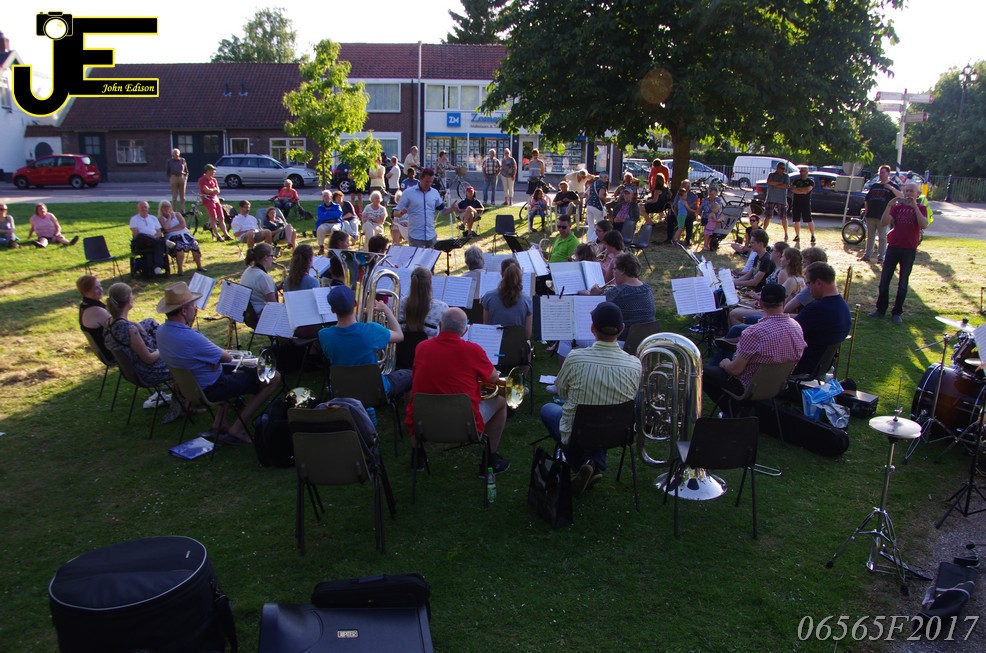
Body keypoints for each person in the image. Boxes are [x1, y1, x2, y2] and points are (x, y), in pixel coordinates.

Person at [156, 282, 280, 443]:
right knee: (273, 376)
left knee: (235, 370)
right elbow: (226, 358)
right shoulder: (190, 337)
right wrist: (215, 361)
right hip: (212, 388)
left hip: (192, 386)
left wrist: (211, 362)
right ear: (184, 311)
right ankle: (238, 428)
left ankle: (219, 423)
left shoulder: (161, 331)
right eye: (192, 305)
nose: (195, 308)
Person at [539, 301, 641, 495]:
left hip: (579, 432)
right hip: (617, 432)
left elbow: (561, 391)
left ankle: (583, 464)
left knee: (547, 410)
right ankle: (592, 462)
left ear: (592, 328)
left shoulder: (575, 358)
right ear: (622, 329)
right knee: (601, 416)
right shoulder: (635, 364)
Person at [405, 307, 510, 474]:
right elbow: (493, 379)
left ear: (440, 325)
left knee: (415, 399)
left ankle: (417, 457)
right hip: (465, 427)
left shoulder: (421, 347)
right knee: (501, 401)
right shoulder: (474, 350)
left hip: (423, 424)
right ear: (465, 330)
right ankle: (490, 460)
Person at [702, 283, 806, 409]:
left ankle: (733, 410)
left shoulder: (753, 333)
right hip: (777, 385)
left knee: (702, 372)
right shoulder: (796, 328)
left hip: (748, 388)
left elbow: (735, 370)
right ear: (784, 303)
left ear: (761, 304)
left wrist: (725, 363)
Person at [318, 285, 411, 398]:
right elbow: (399, 335)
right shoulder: (371, 330)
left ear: (332, 310)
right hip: (376, 391)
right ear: (355, 303)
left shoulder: (324, 335)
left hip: (343, 391)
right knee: (410, 374)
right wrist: (386, 309)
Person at [870, 181, 929, 324]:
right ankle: (880, 309)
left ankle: (897, 312)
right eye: (906, 191)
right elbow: (884, 222)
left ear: (917, 194)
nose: (908, 194)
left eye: (911, 191)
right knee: (884, 281)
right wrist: (889, 205)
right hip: (893, 247)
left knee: (902, 283)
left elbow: (924, 224)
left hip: (909, 249)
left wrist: (915, 207)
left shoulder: (921, 208)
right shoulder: (897, 208)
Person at [103, 282, 170, 386]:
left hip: (132, 370)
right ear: (129, 299)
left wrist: (136, 325)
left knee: (149, 322)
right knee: (181, 357)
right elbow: (149, 359)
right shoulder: (129, 330)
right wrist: (163, 349)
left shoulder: (109, 323)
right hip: (148, 372)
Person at [794, 262, 851, 376]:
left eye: (808, 283)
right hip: (820, 365)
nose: (808, 288)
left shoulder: (817, 309)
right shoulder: (843, 307)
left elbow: (788, 331)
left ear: (819, 283)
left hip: (801, 365)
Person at [586, 253, 655, 339]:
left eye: (614, 269)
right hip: (645, 339)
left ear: (622, 270)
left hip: (623, 340)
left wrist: (593, 295)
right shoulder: (647, 289)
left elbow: (597, 310)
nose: (613, 273)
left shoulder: (618, 292)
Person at [394, 167, 445, 248]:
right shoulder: (408, 193)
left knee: (431, 256)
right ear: (420, 178)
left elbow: (443, 211)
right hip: (415, 236)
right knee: (417, 256)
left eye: (431, 182)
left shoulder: (434, 192)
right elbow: (395, 213)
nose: (428, 184)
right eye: (426, 181)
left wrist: (452, 209)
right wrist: (401, 213)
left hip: (431, 235)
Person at [482, 259, 533, 338]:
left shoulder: (488, 297)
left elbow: (486, 327)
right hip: (517, 344)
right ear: (520, 274)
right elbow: (527, 334)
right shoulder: (527, 300)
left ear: (501, 273)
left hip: (495, 343)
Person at [861, 164, 902, 264]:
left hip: (883, 216)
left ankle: (881, 258)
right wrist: (866, 210)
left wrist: (890, 188)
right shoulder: (875, 185)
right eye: (879, 172)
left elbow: (901, 196)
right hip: (871, 215)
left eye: (883, 172)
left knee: (882, 237)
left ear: (888, 174)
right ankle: (867, 255)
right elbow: (867, 199)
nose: (881, 174)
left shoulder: (893, 185)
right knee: (870, 236)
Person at [399, 266, 449, 338]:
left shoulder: (399, 303)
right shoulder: (442, 307)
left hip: (401, 344)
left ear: (412, 282)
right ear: (430, 283)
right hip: (429, 345)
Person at [159, 200, 205, 276]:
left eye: (167, 206)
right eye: (164, 207)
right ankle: (180, 269)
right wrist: (169, 217)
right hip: (172, 237)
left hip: (185, 234)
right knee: (179, 248)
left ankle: (199, 266)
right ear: (161, 209)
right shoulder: (161, 218)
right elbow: (165, 227)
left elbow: (183, 225)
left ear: (170, 207)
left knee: (194, 245)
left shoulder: (177, 214)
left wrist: (170, 230)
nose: (166, 208)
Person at [77, 274, 112, 360]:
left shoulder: (84, 305)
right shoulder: (95, 310)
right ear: (86, 291)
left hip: (106, 349)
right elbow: (120, 326)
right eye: (96, 288)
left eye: (100, 286)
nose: (100, 290)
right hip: (113, 352)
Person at [129, 200, 168, 276]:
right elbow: (135, 234)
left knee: (158, 242)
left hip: (155, 240)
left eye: (145, 207)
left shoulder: (153, 218)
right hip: (141, 242)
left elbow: (159, 232)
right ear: (138, 209)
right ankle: (165, 242)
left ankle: (157, 267)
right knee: (141, 235)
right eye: (142, 207)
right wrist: (151, 237)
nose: (144, 209)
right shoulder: (134, 219)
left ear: (148, 208)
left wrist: (154, 237)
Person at [784, 247, 828, 313]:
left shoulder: (812, 287)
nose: (801, 265)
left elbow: (786, 309)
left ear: (812, 265)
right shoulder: (826, 283)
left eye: (804, 262)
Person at [240, 243, 278, 319]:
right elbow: (274, 305)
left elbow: (258, 291)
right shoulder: (263, 277)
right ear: (265, 258)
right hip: (263, 317)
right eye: (272, 256)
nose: (273, 258)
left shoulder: (248, 270)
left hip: (250, 315)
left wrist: (277, 287)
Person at [197, 164, 231, 241]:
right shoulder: (202, 180)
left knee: (221, 217)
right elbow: (206, 190)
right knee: (213, 217)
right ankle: (218, 236)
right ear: (208, 171)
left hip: (215, 199)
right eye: (213, 170)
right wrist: (213, 190)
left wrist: (212, 190)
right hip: (208, 200)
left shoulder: (214, 180)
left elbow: (218, 190)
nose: (214, 172)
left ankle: (226, 235)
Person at [764, 162, 791, 241]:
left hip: (781, 199)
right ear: (777, 168)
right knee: (767, 216)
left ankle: (786, 233)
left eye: (784, 168)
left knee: (783, 217)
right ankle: (763, 231)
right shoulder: (771, 175)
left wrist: (775, 184)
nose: (783, 170)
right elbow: (769, 182)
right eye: (782, 168)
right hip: (771, 198)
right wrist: (779, 183)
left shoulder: (786, 176)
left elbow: (786, 186)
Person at [790, 166, 816, 245]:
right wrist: (802, 190)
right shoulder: (796, 181)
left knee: (808, 219)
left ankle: (812, 235)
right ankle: (797, 235)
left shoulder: (810, 181)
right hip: (796, 202)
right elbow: (793, 189)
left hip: (805, 203)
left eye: (803, 171)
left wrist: (799, 189)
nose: (801, 173)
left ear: (807, 172)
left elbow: (807, 190)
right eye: (800, 171)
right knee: (796, 219)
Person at [315, 189, 343, 254]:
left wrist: (327, 213)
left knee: (334, 230)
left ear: (331, 197)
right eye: (324, 196)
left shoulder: (337, 206)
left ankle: (333, 248)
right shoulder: (320, 207)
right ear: (322, 198)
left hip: (336, 223)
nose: (326, 197)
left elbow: (338, 214)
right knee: (320, 229)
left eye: (327, 195)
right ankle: (321, 247)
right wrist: (332, 214)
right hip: (325, 223)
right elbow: (321, 217)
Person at [584, 174, 608, 242]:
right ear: (605, 177)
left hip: (589, 205)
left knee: (591, 225)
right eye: (606, 179)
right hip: (597, 206)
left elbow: (587, 194)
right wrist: (606, 199)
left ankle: (588, 241)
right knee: (600, 226)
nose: (607, 180)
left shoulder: (593, 184)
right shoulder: (602, 184)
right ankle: (593, 240)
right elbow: (601, 196)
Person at [701, 185, 725, 251]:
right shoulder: (705, 200)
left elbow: (720, 210)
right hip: (707, 218)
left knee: (710, 234)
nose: (711, 196)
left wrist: (720, 217)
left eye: (713, 194)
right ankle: (706, 245)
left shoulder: (718, 200)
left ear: (716, 194)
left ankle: (709, 244)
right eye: (710, 194)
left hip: (714, 219)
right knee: (707, 234)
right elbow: (701, 208)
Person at [166, 148, 189, 213]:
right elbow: (167, 171)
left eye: (177, 153)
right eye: (174, 153)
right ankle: (173, 210)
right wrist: (170, 178)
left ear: (179, 154)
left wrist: (185, 178)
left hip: (181, 177)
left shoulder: (182, 160)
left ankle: (182, 210)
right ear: (172, 154)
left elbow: (186, 170)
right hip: (174, 177)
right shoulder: (169, 161)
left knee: (182, 196)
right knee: (174, 196)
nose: (176, 154)